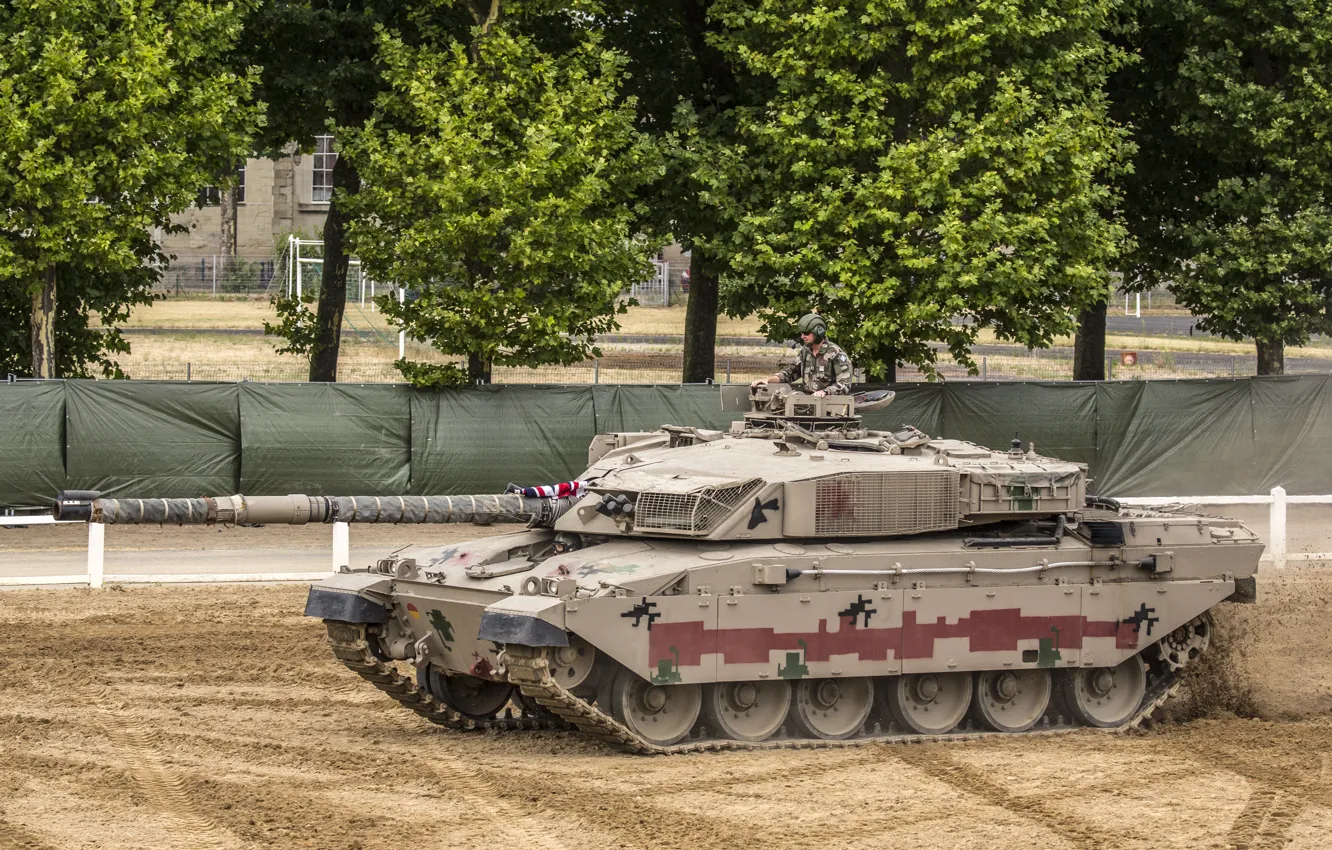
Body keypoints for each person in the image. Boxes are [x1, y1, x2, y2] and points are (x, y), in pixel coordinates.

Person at [751, 313, 852, 397]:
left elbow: (844, 384)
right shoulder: (805, 352)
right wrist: (767, 380)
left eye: (806, 333)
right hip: (806, 403)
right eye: (802, 333)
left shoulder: (835, 354)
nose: (803, 337)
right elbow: (789, 374)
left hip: (829, 406)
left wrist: (825, 392)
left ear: (818, 332)